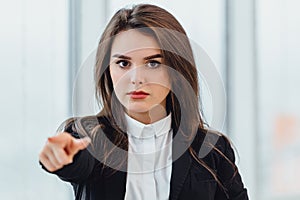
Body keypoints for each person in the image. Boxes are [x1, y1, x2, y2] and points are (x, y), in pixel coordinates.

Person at [39, 3, 248, 200]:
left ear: (177, 71)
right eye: (123, 63)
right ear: (107, 70)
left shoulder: (212, 149)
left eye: (153, 63)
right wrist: (60, 157)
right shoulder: (88, 136)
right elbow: (77, 164)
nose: (136, 78)